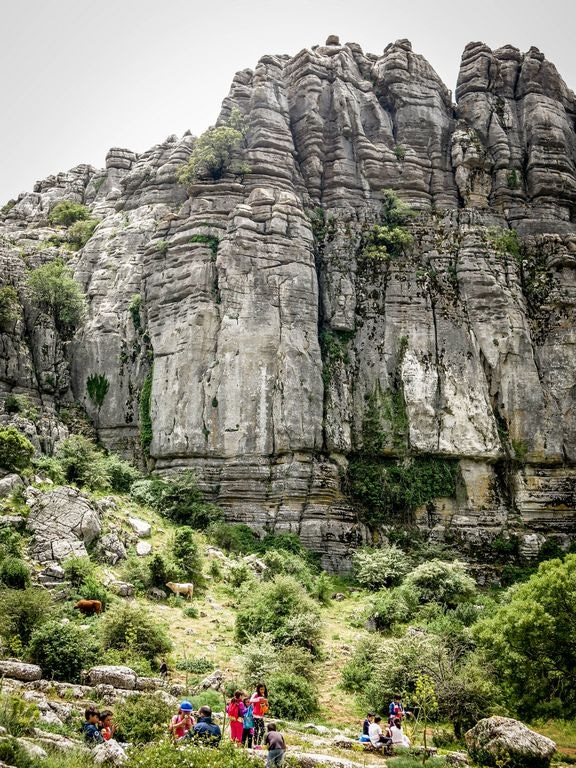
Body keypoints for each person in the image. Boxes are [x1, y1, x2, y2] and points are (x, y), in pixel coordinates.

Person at [250, 683, 268, 748]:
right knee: (256, 730)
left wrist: (266, 703)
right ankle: (255, 745)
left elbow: (265, 705)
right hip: (255, 715)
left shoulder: (264, 695)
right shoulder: (256, 694)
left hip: (261, 715)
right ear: (258, 689)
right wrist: (258, 699)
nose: (262, 691)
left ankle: (259, 744)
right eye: (261, 689)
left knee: (263, 730)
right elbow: (251, 700)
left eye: (263, 689)